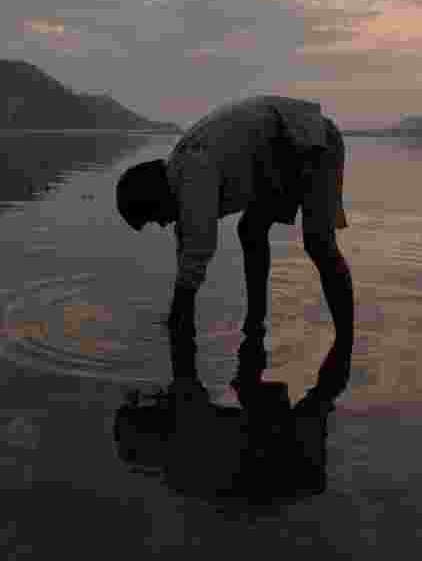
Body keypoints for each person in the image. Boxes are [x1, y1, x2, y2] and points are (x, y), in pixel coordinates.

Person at [115, 95, 354, 417]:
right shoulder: (182, 173)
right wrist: (179, 313)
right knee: (251, 230)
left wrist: (180, 317)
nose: (160, 223)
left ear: (155, 195)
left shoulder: (192, 169)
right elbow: (187, 244)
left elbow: (198, 249)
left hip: (312, 144)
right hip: (277, 157)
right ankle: (255, 324)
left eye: (153, 217)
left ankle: (345, 341)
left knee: (318, 242)